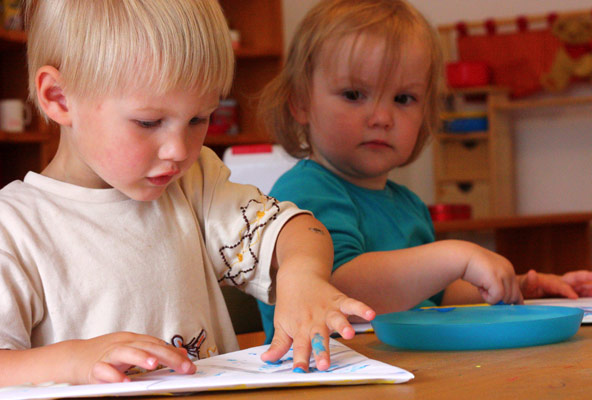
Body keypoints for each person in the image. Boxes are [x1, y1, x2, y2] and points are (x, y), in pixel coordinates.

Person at [0, 0, 380, 387]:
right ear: (59, 98)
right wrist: (73, 361)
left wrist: (303, 274)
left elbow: (296, 229)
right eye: (148, 122)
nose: (180, 150)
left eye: (198, 118)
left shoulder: (194, 184)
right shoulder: (14, 228)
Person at [256, 0, 592, 342]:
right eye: (353, 94)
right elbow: (339, 291)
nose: (382, 117)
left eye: (404, 99)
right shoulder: (303, 192)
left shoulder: (406, 204)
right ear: (300, 102)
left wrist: (515, 286)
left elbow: (436, 296)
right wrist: (455, 256)